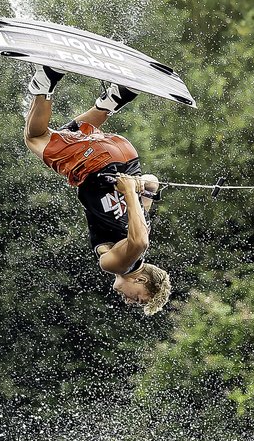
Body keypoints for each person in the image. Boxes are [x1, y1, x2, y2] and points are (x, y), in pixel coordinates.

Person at [22, 66, 172, 315]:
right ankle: (47, 77)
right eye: (138, 300)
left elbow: (151, 181)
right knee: (35, 137)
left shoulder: (142, 224)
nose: (128, 301)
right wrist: (128, 191)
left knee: (65, 134)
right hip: (95, 164)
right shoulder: (117, 264)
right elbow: (140, 242)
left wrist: (139, 188)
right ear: (141, 281)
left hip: (123, 151)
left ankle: (116, 97)